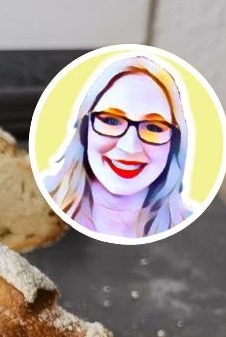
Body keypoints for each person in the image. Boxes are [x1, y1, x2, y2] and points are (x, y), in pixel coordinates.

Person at [44, 55, 194, 238]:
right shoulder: (37, 201)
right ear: (85, 129)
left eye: (153, 127)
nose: (130, 147)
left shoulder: (196, 230)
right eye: (111, 120)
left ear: (175, 143)